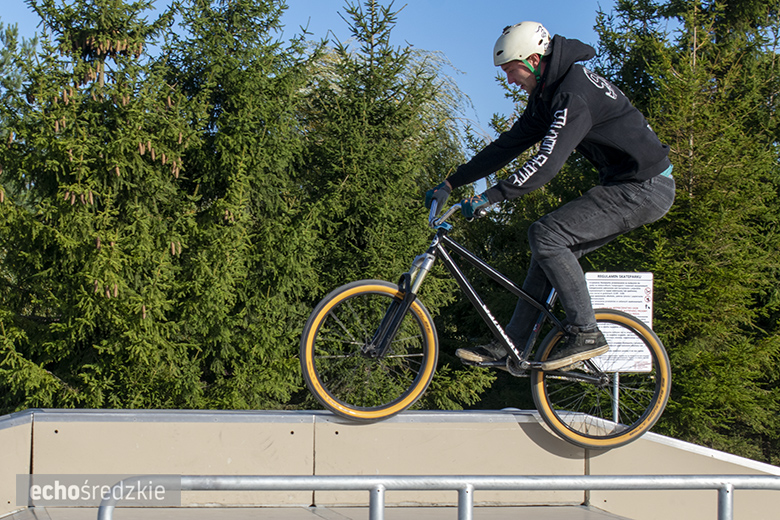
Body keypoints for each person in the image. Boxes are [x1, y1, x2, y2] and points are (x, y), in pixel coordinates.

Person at [425, 21, 675, 370]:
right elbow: (509, 145)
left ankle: (586, 332)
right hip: (627, 185)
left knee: (547, 235)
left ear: (532, 60)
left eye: (512, 71)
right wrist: (452, 182)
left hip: (644, 187)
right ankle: (513, 342)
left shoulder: (573, 94)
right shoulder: (549, 92)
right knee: (547, 250)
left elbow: (547, 161)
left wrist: (493, 196)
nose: (510, 81)